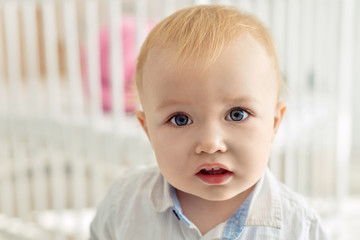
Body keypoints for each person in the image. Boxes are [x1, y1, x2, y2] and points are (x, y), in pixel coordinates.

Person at [90, 5, 329, 239]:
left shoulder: (299, 228)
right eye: (180, 119)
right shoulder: (123, 204)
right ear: (148, 131)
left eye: (237, 114)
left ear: (274, 124)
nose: (210, 143)